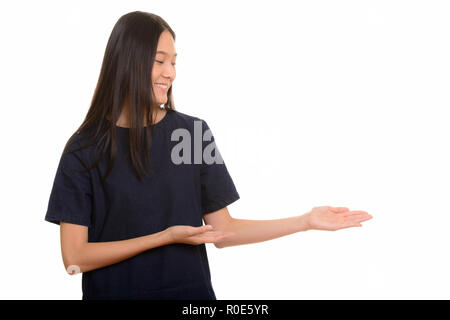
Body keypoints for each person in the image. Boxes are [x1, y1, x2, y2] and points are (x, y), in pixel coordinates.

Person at [44, 11, 373, 300]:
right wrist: (164, 237)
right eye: (159, 61)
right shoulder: (84, 149)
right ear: (128, 60)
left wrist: (304, 222)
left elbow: (223, 231)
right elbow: (75, 258)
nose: (170, 73)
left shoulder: (190, 135)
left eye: (174, 62)